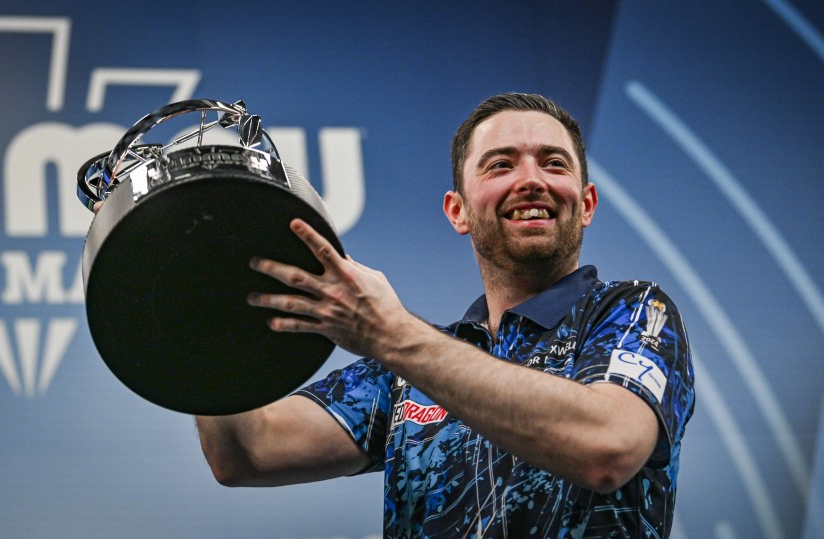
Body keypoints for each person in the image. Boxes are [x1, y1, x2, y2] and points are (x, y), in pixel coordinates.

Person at [195, 93, 695, 538]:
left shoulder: (632, 311)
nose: (531, 181)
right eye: (500, 165)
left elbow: (609, 447)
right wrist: (192, 302)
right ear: (457, 211)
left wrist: (393, 335)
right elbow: (247, 451)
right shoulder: (404, 376)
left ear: (586, 204)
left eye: (554, 163)